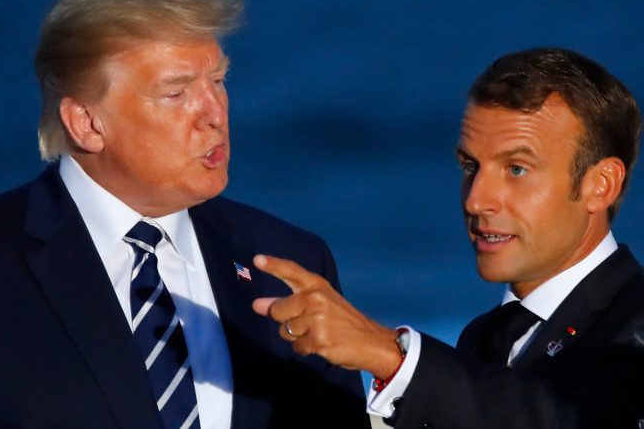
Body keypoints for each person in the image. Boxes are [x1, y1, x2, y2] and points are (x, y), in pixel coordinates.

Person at [0, 0, 369, 429]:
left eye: (218, 81)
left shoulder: (292, 262)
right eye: (176, 93)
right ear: (87, 123)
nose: (214, 113)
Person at [252, 48, 644, 428]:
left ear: (601, 185)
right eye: (470, 166)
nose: (476, 200)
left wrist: (392, 356)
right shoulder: (483, 336)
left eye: (517, 169)